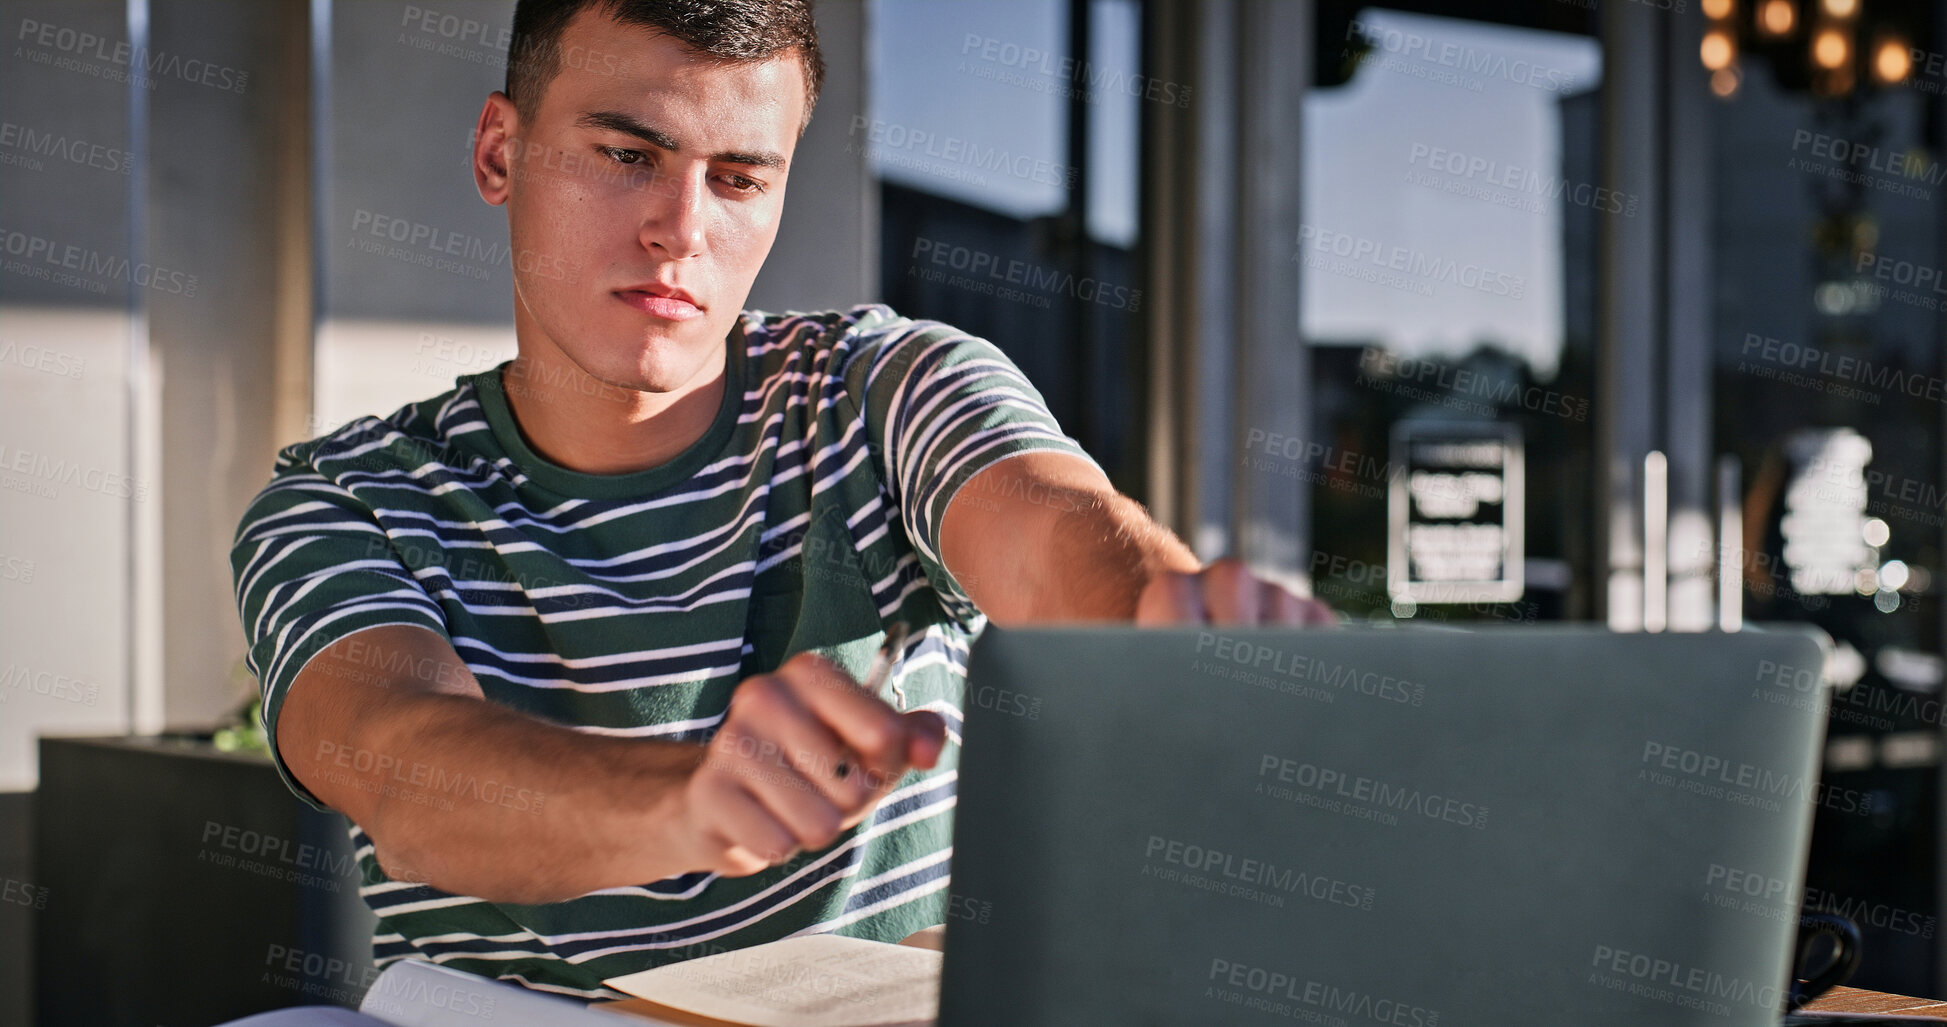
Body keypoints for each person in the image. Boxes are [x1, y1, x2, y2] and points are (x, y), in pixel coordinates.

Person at [229, 0, 1330, 1000]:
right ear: (499, 151)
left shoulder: (881, 387)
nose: (683, 228)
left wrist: (1157, 622)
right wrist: (690, 797)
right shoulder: (351, 499)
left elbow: (1052, 529)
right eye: (627, 153)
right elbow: (410, 770)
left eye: (741, 178)